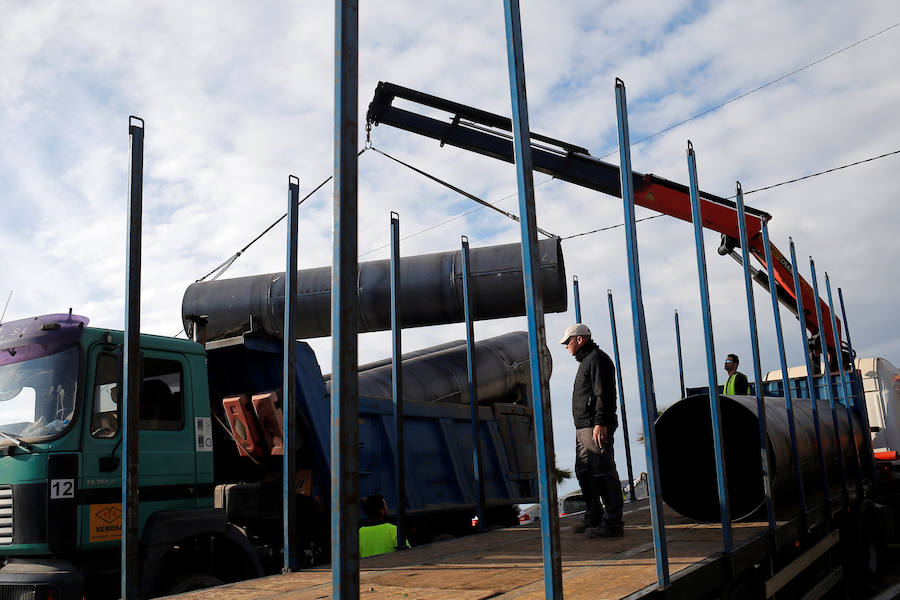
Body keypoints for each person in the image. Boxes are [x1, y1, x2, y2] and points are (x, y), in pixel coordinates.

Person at [560, 323, 624, 538]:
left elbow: (602, 394)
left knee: (603, 471)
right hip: (584, 426)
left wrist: (601, 423)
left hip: (594, 426)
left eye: (568, 341)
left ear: (580, 339)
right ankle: (594, 517)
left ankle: (613, 523)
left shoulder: (596, 358)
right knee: (584, 472)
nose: (566, 346)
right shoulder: (587, 360)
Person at [359, 493, 407, 558]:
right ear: (381, 511)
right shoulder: (393, 530)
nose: (387, 507)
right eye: (385, 505)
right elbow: (407, 554)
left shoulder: (359, 534)